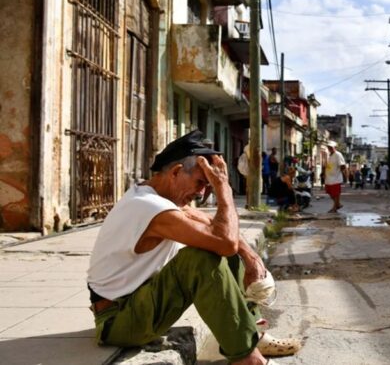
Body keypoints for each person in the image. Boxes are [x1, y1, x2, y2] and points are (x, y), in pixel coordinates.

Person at [86, 130, 300, 365]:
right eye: (200, 183)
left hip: (137, 306)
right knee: (200, 258)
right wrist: (224, 190)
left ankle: (253, 334)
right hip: (118, 321)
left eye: (208, 186)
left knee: (222, 246)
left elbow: (215, 227)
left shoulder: (160, 197)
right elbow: (225, 241)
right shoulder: (148, 206)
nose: (201, 193)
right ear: (176, 172)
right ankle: (247, 359)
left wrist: (250, 257)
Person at [325, 141, 347, 213]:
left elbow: (343, 166)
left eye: (331, 147)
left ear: (335, 147)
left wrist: (344, 175)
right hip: (329, 178)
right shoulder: (329, 155)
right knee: (330, 193)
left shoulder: (338, 154)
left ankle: (334, 207)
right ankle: (338, 204)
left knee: (336, 193)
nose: (329, 148)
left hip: (336, 178)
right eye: (329, 147)